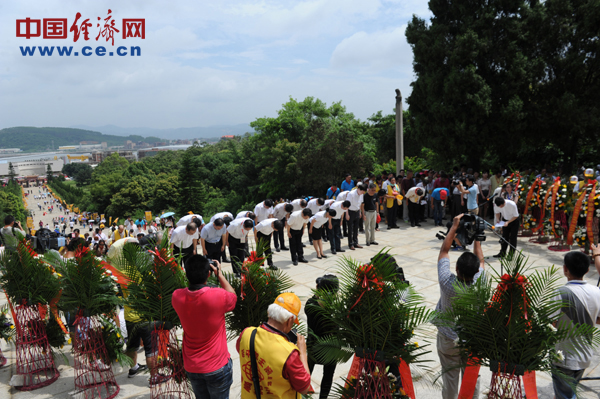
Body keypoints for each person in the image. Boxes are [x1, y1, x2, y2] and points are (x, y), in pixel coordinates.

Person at [172, 256, 237, 399]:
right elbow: (233, 296)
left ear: (186, 273)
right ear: (208, 273)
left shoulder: (176, 296)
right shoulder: (218, 295)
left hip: (192, 366)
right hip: (217, 366)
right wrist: (219, 274)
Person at [436, 214, 485, 399]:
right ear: (475, 272)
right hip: (472, 338)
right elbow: (481, 261)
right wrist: (478, 238)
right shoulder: (481, 282)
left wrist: (454, 227)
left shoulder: (446, 282)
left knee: (449, 376)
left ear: (456, 269)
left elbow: (444, 251)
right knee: (472, 375)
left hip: (448, 338)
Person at [236, 293, 312, 398]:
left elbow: (242, 351)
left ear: (269, 312)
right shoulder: (289, 352)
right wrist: (302, 353)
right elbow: (305, 388)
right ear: (290, 320)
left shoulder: (247, 333)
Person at [551, 250, 600, 399]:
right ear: (587, 270)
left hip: (563, 358)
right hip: (584, 355)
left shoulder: (560, 292)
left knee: (565, 396)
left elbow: (551, 324)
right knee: (568, 392)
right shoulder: (596, 291)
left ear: (565, 269)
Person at [306, 275, 339, 399]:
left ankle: (303, 395)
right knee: (327, 376)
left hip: (314, 346)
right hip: (330, 349)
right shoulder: (336, 308)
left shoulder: (310, 303)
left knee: (307, 373)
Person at [346, 184, 365, 250]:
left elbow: (359, 204)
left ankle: (356, 242)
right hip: (350, 212)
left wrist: (360, 212)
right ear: (358, 189)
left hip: (357, 211)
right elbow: (347, 204)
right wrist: (347, 214)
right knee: (350, 229)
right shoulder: (351, 194)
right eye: (362, 192)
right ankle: (350, 244)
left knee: (356, 229)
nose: (362, 193)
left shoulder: (361, 194)